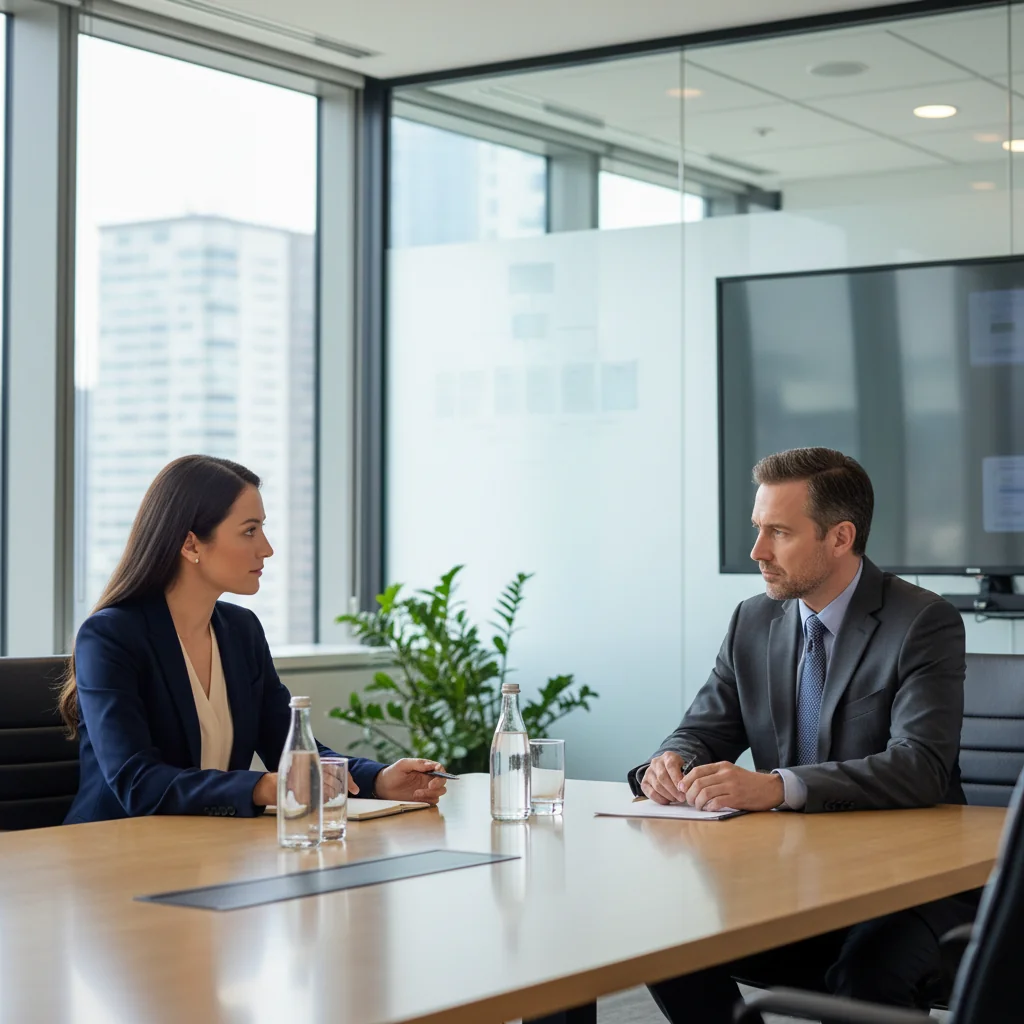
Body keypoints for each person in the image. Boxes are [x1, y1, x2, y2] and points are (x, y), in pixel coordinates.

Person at [631, 447, 976, 1024]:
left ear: (840, 538)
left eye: (779, 533)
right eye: (757, 529)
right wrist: (673, 759)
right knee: (660, 934)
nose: (756, 552)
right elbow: (703, 728)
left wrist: (776, 787)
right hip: (793, 875)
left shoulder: (921, 622)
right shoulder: (753, 620)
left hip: (910, 883)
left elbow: (919, 766)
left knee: (867, 972)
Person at [61, 454, 447, 824]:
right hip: (113, 850)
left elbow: (291, 748)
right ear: (191, 543)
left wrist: (379, 780)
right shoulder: (110, 637)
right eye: (249, 531)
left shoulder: (240, 631)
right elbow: (137, 783)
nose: (267, 548)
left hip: (208, 849)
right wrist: (264, 786)